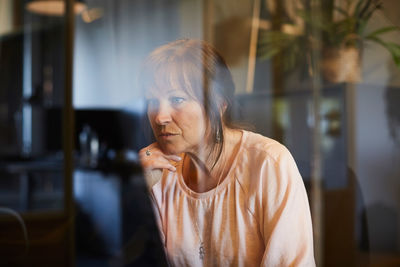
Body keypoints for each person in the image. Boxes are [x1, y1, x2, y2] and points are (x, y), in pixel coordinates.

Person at [139, 39, 315, 266]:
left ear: (219, 105)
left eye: (177, 99)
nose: (160, 116)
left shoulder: (269, 163)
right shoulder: (157, 171)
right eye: (152, 101)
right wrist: (137, 193)